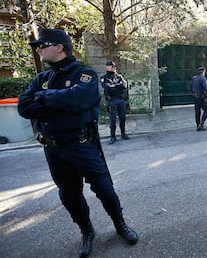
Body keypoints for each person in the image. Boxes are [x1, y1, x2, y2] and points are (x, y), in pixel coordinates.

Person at [18, 29, 138, 258]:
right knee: (69, 195)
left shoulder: (85, 75)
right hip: (53, 149)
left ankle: (120, 225)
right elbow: (24, 107)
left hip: (82, 145)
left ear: (60, 47)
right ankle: (87, 231)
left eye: (43, 44)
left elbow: (81, 99)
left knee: (105, 189)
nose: (39, 49)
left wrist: (44, 99)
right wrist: (63, 101)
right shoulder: (41, 78)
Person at [100, 61, 130, 144]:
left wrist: (114, 86)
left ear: (114, 67)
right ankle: (113, 137)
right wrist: (118, 86)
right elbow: (108, 88)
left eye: (112, 67)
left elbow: (124, 85)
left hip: (120, 100)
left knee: (123, 118)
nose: (111, 68)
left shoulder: (119, 76)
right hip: (112, 101)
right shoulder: (104, 78)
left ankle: (123, 134)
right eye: (109, 67)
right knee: (112, 120)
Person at [190, 66, 207, 131]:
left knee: (197, 111)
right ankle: (202, 124)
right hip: (201, 97)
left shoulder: (194, 78)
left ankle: (197, 125)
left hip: (195, 97)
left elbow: (190, 86)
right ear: (203, 72)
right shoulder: (203, 79)